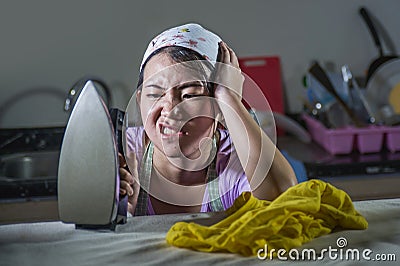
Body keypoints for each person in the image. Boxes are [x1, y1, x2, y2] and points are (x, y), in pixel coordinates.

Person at [119, 23, 297, 216]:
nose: (170, 109)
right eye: (155, 94)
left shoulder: (236, 158)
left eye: (189, 95)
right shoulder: (121, 152)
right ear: (139, 102)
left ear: (218, 107)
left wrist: (229, 97)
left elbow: (282, 201)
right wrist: (120, 213)